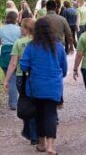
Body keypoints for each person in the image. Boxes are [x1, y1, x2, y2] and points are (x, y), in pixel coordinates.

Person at [20, 18, 67, 155]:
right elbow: (64, 68)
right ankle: (51, 146)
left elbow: (23, 65)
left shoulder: (31, 46)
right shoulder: (58, 46)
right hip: (54, 86)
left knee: (39, 114)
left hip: (36, 86)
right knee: (51, 113)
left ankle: (41, 144)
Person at [4, 18, 38, 145]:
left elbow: (13, 63)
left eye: (21, 27)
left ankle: (29, 131)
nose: (20, 29)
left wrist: (7, 80)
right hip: (36, 76)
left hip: (21, 77)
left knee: (25, 103)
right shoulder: (38, 41)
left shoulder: (19, 43)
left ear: (26, 29)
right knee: (36, 104)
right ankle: (35, 133)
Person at [0, 11, 21, 110]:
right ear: (16, 19)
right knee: (16, 79)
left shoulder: (0, 30)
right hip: (17, 53)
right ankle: (15, 102)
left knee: (10, 79)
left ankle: (13, 102)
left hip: (5, 54)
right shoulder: (19, 29)